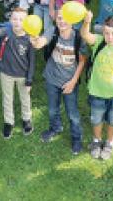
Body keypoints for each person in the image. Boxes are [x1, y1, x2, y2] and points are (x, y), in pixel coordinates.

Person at [79, 11, 113, 160]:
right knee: (96, 118)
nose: (109, 37)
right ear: (103, 31)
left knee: (112, 120)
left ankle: (109, 142)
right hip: (96, 92)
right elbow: (84, 34)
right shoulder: (99, 42)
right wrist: (87, 22)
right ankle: (96, 141)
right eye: (107, 33)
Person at [31, 13, 86, 154]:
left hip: (69, 82)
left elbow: (82, 61)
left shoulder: (78, 37)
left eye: (66, 18)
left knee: (72, 113)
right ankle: (55, 128)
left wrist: (73, 82)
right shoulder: (53, 31)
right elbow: (40, 43)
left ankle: (76, 138)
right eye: (60, 18)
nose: (62, 22)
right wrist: (35, 40)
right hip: (52, 78)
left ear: (73, 22)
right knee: (52, 109)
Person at [0, 8, 36, 139]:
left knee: (25, 98)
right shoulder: (7, 31)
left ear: (27, 22)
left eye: (21, 19)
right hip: (6, 74)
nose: (17, 22)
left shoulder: (29, 39)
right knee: (7, 99)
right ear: (10, 20)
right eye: (14, 19)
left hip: (23, 75)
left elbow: (32, 61)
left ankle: (26, 119)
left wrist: (29, 80)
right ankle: (8, 122)